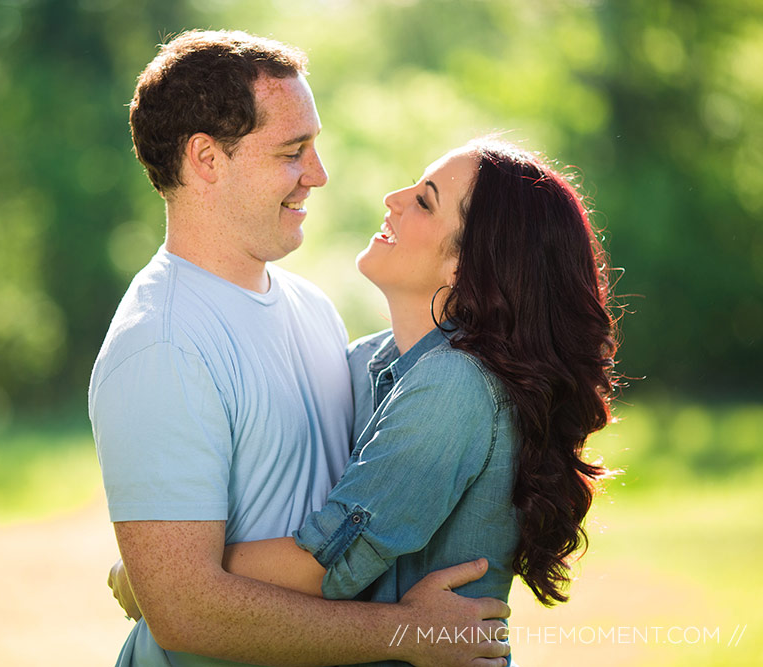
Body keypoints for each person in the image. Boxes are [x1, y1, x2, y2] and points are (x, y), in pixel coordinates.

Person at [89, 30, 511, 667]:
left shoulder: (312, 308)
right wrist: (406, 634)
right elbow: (182, 612)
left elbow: (364, 506)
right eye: (293, 151)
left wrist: (149, 567)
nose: (318, 174)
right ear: (206, 158)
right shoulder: (161, 344)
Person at [209, 138, 620, 665]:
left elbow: (328, 564)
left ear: (465, 267)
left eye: (425, 201)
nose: (393, 198)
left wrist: (173, 578)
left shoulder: (455, 384)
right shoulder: (368, 361)